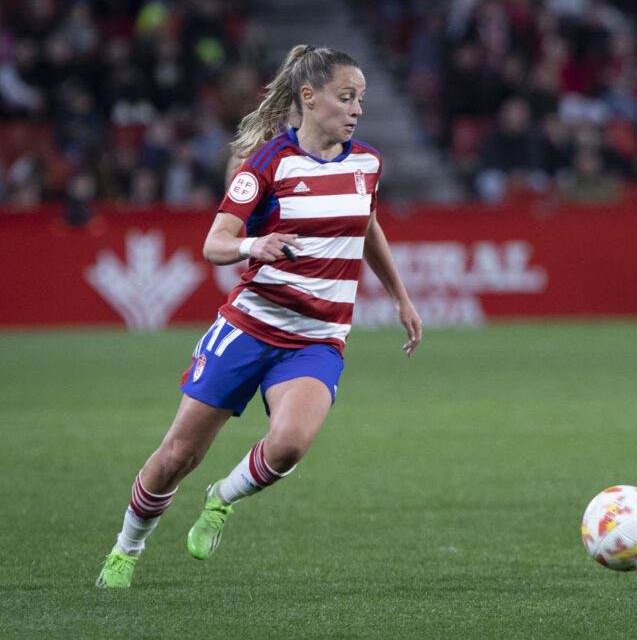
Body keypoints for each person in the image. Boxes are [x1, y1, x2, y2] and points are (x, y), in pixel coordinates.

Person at [96, 45, 423, 588]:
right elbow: (214, 244)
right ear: (309, 98)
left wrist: (400, 295)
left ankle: (221, 498)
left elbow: (366, 223)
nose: (357, 109)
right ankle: (126, 548)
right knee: (177, 455)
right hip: (249, 328)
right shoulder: (268, 163)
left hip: (317, 338)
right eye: (347, 98)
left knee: (291, 442)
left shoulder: (367, 162)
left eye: (361, 99)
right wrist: (256, 245)